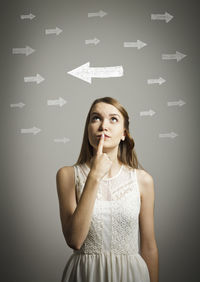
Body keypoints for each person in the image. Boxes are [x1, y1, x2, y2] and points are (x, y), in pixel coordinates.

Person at [56, 96, 159, 282]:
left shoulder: (143, 180)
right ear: (88, 129)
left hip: (131, 275)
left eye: (113, 119)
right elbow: (75, 240)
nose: (104, 126)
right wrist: (94, 175)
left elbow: (149, 246)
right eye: (96, 118)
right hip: (85, 275)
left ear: (124, 133)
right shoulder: (67, 175)